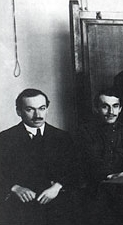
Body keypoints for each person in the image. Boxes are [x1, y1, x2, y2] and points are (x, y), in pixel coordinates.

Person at [0, 89, 78, 225]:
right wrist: (14, 187)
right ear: (19, 111)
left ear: (47, 109)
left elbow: (76, 170)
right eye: (30, 109)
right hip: (19, 210)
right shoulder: (5, 139)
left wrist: (57, 187)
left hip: (57, 208)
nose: (38, 115)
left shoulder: (63, 137)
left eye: (42, 108)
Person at [76, 88, 123, 224]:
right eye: (105, 107)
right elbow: (91, 160)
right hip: (98, 189)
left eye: (115, 106)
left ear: (120, 108)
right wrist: (111, 176)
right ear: (96, 108)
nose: (111, 112)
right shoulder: (85, 132)